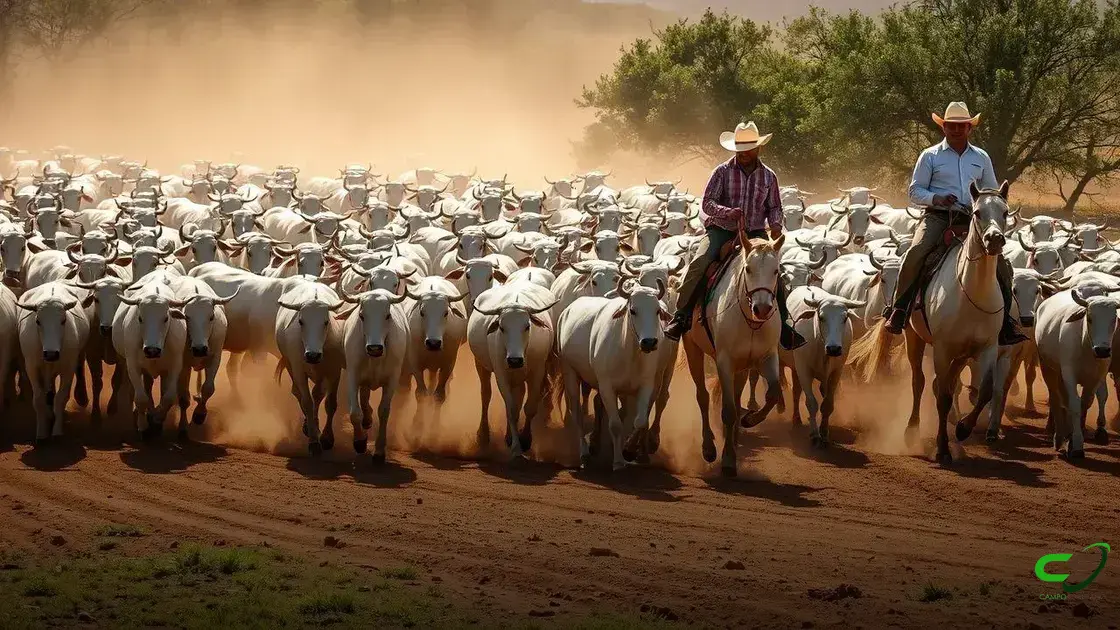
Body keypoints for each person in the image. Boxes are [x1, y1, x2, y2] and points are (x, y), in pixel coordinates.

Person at [880, 102, 1028, 346]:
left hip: (974, 219)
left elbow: (990, 191)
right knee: (915, 253)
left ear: (969, 127)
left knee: (1002, 264)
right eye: (951, 126)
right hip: (937, 216)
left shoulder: (981, 157)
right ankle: (899, 310)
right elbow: (915, 191)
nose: (956, 130)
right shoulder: (930, 155)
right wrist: (936, 198)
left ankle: (1005, 323)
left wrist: (986, 207)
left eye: (961, 126)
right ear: (944, 128)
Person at [662, 121, 807, 350]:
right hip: (722, 229)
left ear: (759, 149)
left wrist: (776, 224)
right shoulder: (722, 171)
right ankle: (682, 316)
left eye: (749, 149)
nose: (744, 154)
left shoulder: (769, 176)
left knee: (774, 272)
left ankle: (785, 326)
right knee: (700, 262)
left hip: (756, 232)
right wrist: (728, 212)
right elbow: (707, 203)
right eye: (740, 149)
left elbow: (775, 206)